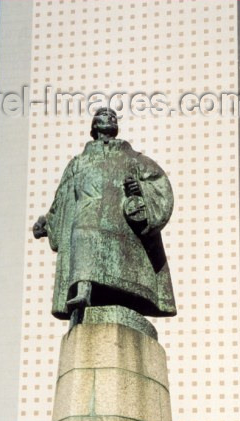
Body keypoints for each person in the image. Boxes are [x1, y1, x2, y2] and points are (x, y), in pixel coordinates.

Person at [34, 108, 176, 319]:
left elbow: (158, 184)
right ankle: (83, 291)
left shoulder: (134, 159)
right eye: (103, 115)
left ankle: (127, 298)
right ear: (95, 126)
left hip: (120, 225)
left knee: (117, 264)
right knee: (83, 235)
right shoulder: (78, 163)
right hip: (86, 217)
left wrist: (140, 189)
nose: (110, 118)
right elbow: (62, 199)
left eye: (113, 116)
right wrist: (48, 223)